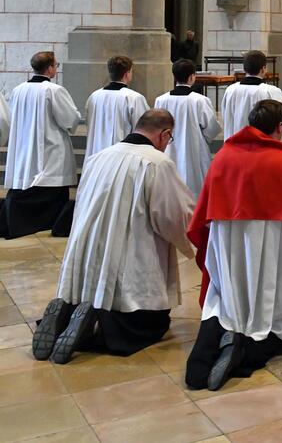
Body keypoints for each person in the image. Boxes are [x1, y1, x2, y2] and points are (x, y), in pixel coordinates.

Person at [185, 100, 282, 391]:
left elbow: (204, 208)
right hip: (275, 240)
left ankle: (199, 365)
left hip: (228, 237)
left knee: (227, 296)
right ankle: (245, 349)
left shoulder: (225, 156)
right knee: (275, 291)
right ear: (279, 127)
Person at [33, 110, 195, 364]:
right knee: (149, 322)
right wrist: (195, 241)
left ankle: (68, 314)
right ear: (164, 135)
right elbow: (172, 215)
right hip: (129, 252)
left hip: (88, 245)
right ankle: (98, 326)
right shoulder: (156, 163)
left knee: (87, 293)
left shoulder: (99, 157)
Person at [2, 51, 82, 239]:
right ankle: (50, 220)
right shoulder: (54, 90)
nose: (56, 69)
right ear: (50, 68)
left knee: (28, 181)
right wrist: (76, 117)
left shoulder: (19, 89)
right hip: (49, 145)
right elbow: (70, 119)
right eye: (56, 65)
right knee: (50, 180)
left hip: (24, 143)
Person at [154, 59, 222, 195]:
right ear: (192, 77)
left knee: (170, 188)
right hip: (194, 150)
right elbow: (211, 128)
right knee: (195, 188)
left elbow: (157, 126)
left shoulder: (161, 100)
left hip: (169, 149)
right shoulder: (200, 100)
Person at [84, 55, 149, 163]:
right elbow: (142, 129)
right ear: (127, 74)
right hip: (122, 157)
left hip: (96, 153)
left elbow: (89, 123)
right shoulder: (134, 98)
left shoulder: (94, 96)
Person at [220, 50, 282, 136]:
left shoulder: (230, 90)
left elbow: (226, 116)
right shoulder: (271, 92)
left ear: (244, 69)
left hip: (234, 145)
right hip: (261, 145)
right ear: (263, 69)